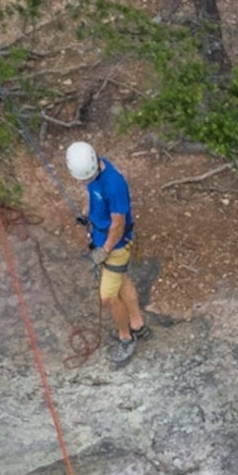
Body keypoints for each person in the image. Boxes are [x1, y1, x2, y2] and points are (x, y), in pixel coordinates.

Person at [67, 139, 144, 366]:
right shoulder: (93, 170)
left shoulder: (115, 185)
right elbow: (90, 192)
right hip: (102, 238)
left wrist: (105, 250)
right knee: (122, 280)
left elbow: (118, 224)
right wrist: (86, 212)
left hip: (116, 245)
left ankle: (125, 337)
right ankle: (137, 323)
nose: (86, 181)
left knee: (108, 296)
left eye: (87, 178)